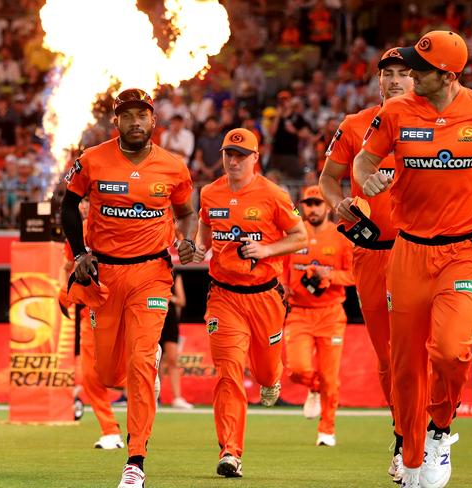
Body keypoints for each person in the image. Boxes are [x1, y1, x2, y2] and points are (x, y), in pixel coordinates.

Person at [353, 31, 472, 488]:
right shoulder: (394, 112)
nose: (410, 74)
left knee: (450, 351)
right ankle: (410, 458)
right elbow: (361, 162)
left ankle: (440, 432)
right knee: (407, 365)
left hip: (463, 253)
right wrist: (367, 178)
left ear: (446, 75)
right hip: (407, 252)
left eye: (420, 68)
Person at [61, 88, 197, 488]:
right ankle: (141, 362)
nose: (136, 122)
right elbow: (67, 204)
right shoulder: (91, 159)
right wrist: (79, 252)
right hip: (105, 276)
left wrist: (185, 240)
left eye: (143, 115)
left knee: (140, 364)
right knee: (106, 374)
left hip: (152, 274)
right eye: (127, 115)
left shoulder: (174, 167)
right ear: (115, 122)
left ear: (154, 121)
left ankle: (135, 459)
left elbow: (186, 212)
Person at [319, 47, 414, 482]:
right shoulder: (355, 125)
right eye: (387, 74)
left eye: (403, 73)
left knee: (431, 347)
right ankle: (402, 437)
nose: (394, 80)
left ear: (418, 79)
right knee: (387, 356)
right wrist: (340, 206)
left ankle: (428, 433)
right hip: (371, 251)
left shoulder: (435, 124)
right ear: (378, 80)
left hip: (421, 248)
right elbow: (328, 178)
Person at [192, 128, 307, 478]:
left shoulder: (273, 194)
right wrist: (199, 247)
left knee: (265, 372)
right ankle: (230, 451)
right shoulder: (211, 192)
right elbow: (204, 228)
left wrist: (267, 249)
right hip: (224, 296)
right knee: (228, 373)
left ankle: (272, 379)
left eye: (241, 155)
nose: (233, 160)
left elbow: (300, 237)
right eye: (229, 154)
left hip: (264, 297)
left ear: (256, 158)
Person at [282, 185, 354, 448]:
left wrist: (329, 276)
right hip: (299, 313)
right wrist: (284, 286)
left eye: (317, 203)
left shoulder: (341, 237)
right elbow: (283, 268)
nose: (312, 208)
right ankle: (313, 387)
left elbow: (355, 274)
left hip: (331, 314)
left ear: (327, 207)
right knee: (297, 369)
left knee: (330, 377)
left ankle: (327, 429)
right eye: (308, 203)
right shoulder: (293, 234)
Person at [60, 200, 124, 449]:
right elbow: (69, 266)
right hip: (91, 311)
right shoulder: (77, 234)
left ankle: (148, 369)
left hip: (120, 305)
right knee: (89, 374)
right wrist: (64, 292)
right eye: (82, 202)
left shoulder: (118, 225)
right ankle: (110, 430)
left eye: (89, 200)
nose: (85, 206)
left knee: (124, 366)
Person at [158, 273, 192, 409]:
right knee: (155, 361)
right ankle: (155, 397)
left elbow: (181, 301)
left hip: (170, 320)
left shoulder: (175, 274)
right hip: (154, 318)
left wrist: (167, 296)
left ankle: (177, 398)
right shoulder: (150, 269)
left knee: (172, 359)